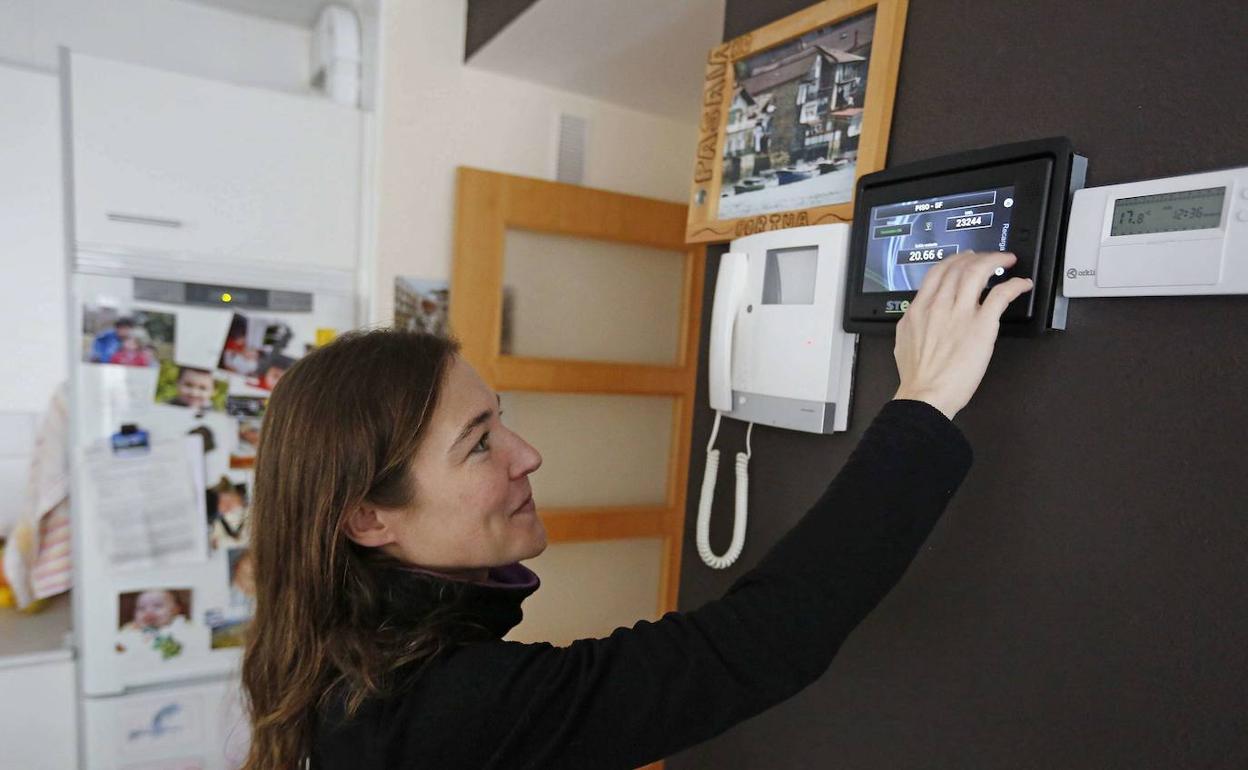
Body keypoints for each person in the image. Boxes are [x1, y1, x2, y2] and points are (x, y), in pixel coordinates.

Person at [241, 252, 1034, 770]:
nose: (528, 455)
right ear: (369, 520)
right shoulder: (435, 713)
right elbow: (751, 647)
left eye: (502, 420)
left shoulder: (353, 659)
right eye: (480, 444)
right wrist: (925, 401)